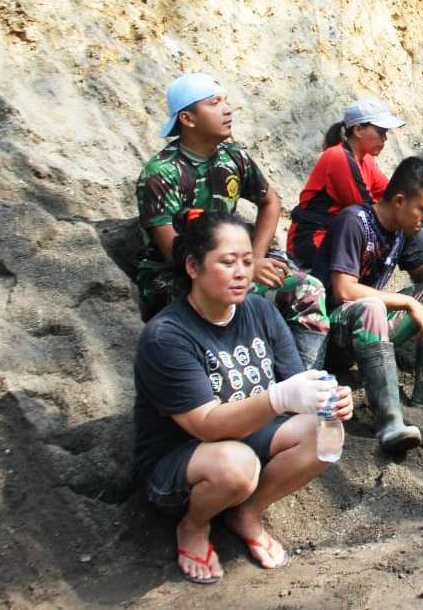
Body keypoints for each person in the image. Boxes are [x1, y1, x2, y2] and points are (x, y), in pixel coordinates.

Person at [132, 209, 352, 585]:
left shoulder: (260, 310)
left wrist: (327, 397)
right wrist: (278, 398)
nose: (241, 272)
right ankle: (194, 525)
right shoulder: (167, 336)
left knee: (327, 430)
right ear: (193, 267)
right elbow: (205, 425)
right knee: (237, 465)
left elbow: (296, 382)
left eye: (248, 261)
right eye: (227, 261)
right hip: (184, 460)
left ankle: (246, 512)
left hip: (248, 441)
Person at [135, 73, 331, 370]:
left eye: (226, 101)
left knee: (308, 288)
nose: (227, 110)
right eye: (215, 103)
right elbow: (174, 253)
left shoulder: (233, 156)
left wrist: (256, 256)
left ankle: (301, 386)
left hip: (232, 264)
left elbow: (270, 201)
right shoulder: (162, 173)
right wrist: (247, 267)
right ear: (187, 119)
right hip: (180, 276)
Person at [315, 156, 423, 454]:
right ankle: (389, 420)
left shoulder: (402, 232)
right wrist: (406, 302)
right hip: (332, 333)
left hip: (371, 328)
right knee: (372, 307)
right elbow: (343, 290)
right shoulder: (353, 222)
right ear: (399, 201)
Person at [287, 98, 423, 270]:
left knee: (404, 220)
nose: (384, 139)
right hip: (313, 242)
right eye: (381, 132)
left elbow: (393, 194)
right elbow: (369, 213)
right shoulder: (338, 157)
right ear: (358, 130)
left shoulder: (366, 161)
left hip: (339, 239)